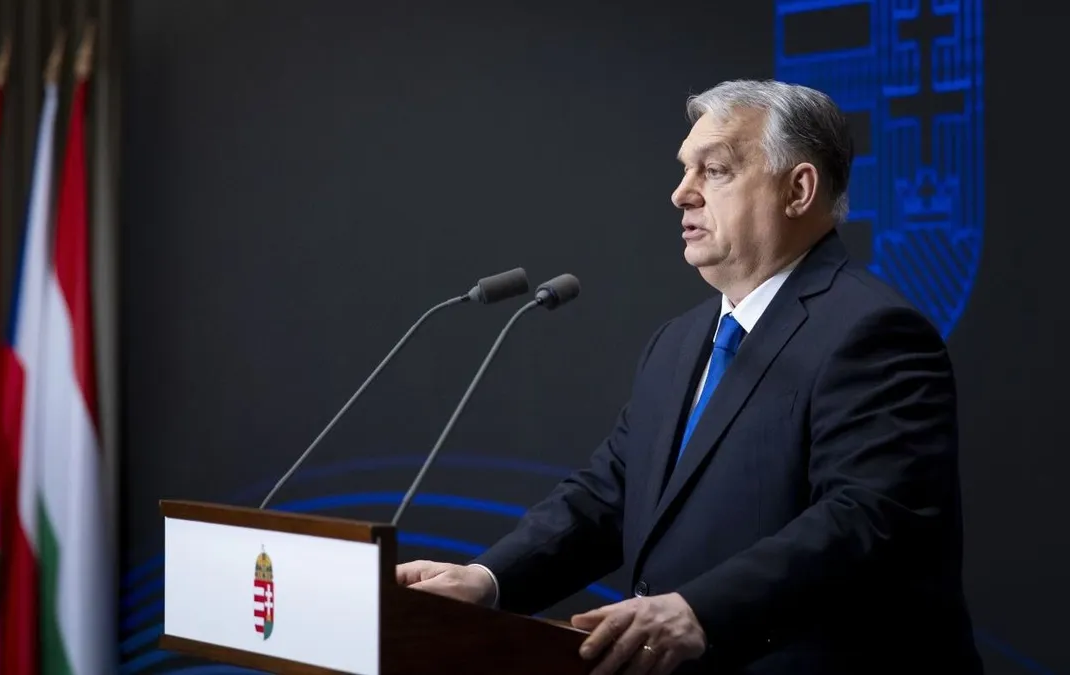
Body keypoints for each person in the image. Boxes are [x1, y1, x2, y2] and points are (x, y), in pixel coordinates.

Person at [396, 79, 983, 674]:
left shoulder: (873, 331)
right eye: (684, 170)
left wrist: (701, 611)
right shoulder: (678, 341)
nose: (682, 194)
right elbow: (611, 494)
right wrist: (487, 580)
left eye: (715, 170)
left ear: (798, 190)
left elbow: (869, 518)